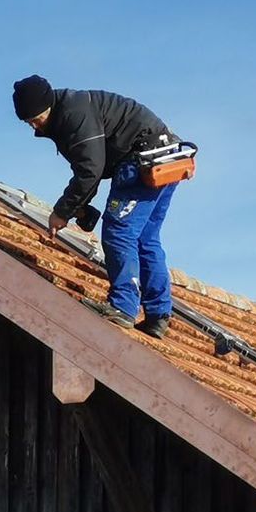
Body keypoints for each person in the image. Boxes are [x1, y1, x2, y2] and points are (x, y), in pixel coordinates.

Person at [13, 74, 186, 338]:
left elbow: (90, 170)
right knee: (145, 238)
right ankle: (158, 315)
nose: (34, 126)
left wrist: (62, 212)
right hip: (167, 156)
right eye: (28, 122)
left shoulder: (73, 114)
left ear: (48, 106)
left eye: (36, 118)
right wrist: (80, 206)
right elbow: (95, 166)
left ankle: (123, 307)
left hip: (141, 162)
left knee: (119, 232)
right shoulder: (74, 107)